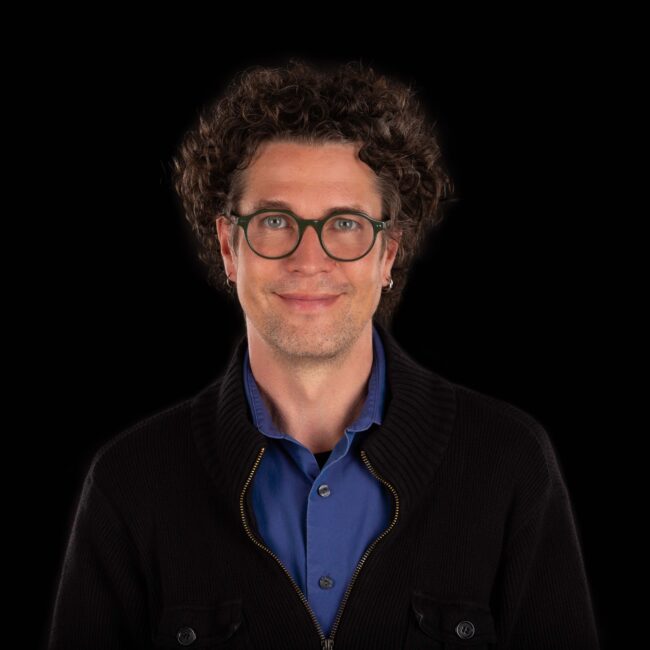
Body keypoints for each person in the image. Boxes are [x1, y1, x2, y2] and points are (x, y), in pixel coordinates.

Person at [46, 59, 601, 649]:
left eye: (345, 224)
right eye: (275, 220)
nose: (309, 260)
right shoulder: (131, 480)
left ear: (388, 254)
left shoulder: (507, 461)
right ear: (229, 248)